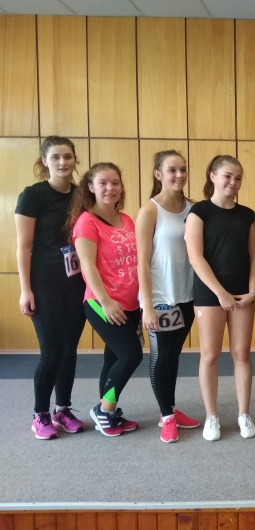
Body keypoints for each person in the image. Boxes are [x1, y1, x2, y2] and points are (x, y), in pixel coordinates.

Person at [15, 136, 86, 440]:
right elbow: (23, 246)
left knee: (69, 350)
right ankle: (40, 414)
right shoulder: (33, 195)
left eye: (67, 156)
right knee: (52, 352)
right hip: (44, 284)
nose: (62, 162)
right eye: (55, 157)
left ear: (74, 159)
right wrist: (25, 289)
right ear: (45, 161)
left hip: (76, 284)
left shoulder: (82, 195)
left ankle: (63, 409)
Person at [185, 155, 255, 442]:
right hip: (210, 294)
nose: (233, 182)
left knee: (241, 353)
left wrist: (252, 291)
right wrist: (220, 293)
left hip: (242, 296)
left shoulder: (248, 216)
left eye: (238, 178)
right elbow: (196, 257)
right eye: (227, 176)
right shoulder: (199, 212)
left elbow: (254, 257)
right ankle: (212, 416)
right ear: (213, 176)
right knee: (210, 355)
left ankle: (244, 414)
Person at [69, 162, 141, 437]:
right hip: (102, 304)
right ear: (91, 187)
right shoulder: (87, 221)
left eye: (115, 183)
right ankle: (103, 410)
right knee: (130, 355)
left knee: (113, 357)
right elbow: (87, 267)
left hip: (131, 303)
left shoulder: (127, 220)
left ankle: (108, 413)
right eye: (103, 183)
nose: (110, 188)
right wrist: (106, 301)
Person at [136, 150, 199, 444]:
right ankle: (166, 416)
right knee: (161, 356)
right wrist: (147, 305)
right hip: (161, 297)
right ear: (158, 174)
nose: (179, 175)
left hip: (187, 295)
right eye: (172, 170)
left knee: (174, 354)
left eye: (182, 169)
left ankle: (170, 408)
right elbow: (142, 262)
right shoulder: (150, 211)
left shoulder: (194, 209)